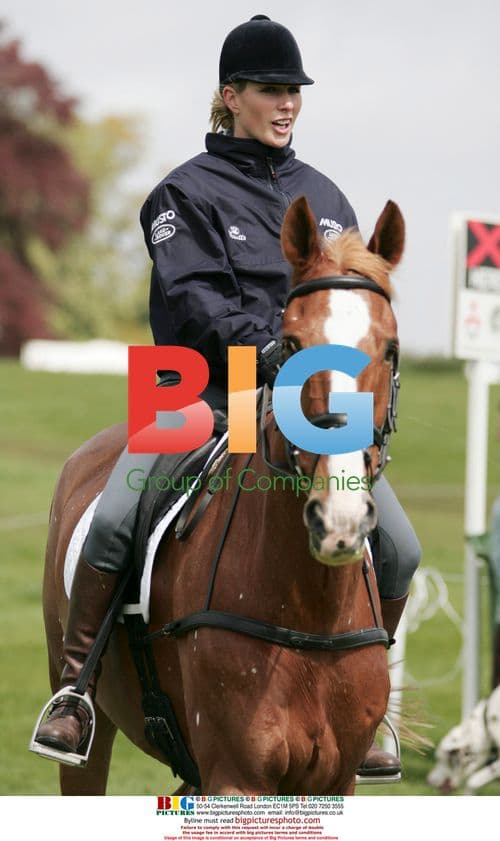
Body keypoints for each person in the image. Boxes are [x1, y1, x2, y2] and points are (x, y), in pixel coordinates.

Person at [33, 14, 421, 778]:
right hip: (196, 393)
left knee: (400, 545)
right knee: (113, 516)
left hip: (312, 407)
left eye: (295, 92)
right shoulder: (181, 193)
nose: (287, 105)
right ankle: (76, 691)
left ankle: (362, 705)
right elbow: (188, 304)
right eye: (272, 90)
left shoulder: (327, 197)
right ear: (230, 95)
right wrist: (274, 348)